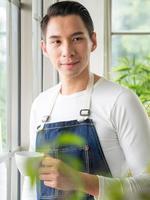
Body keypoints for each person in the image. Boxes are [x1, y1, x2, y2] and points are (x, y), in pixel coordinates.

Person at [22, 1, 150, 200]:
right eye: (56, 41)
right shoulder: (40, 105)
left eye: (77, 38)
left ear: (93, 41)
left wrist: (78, 180)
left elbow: (147, 187)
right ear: (44, 48)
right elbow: (31, 187)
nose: (67, 51)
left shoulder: (121, 101)